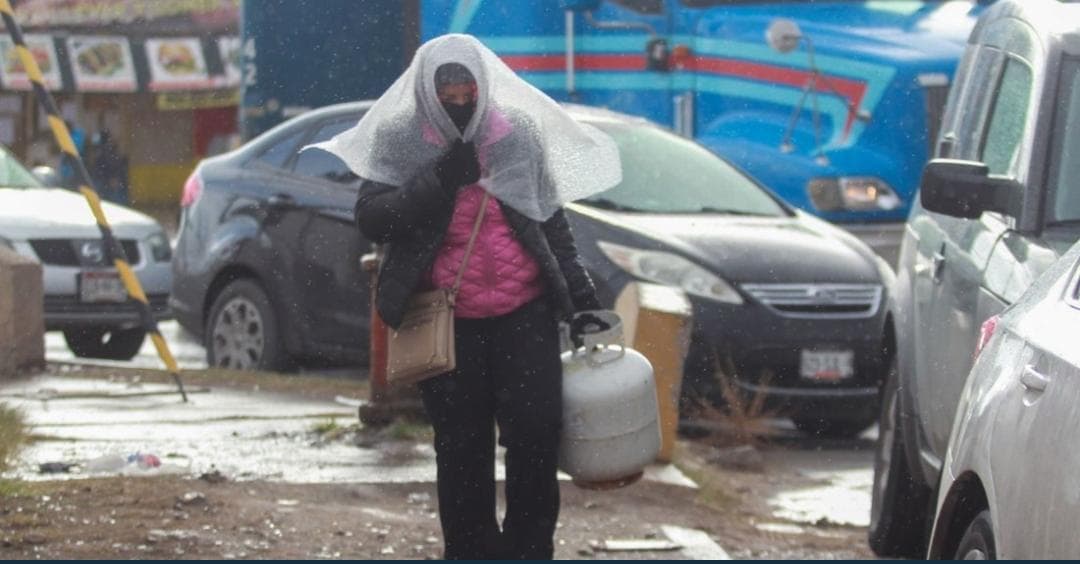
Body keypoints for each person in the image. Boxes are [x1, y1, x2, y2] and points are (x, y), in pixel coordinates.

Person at [312, 34, 622, 559]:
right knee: (461, 450)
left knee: (535, 437)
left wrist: (581, 297)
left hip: (524, 313)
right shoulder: (400, 139)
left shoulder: (516, 134)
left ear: (485, 83)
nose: (459, 97)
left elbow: (550, 218)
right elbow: (372, 218)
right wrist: (437, 180)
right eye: (447, 87)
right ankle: (472, 551)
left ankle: (528, 550)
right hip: (446, 322)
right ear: (427, 89)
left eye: (467, 85)